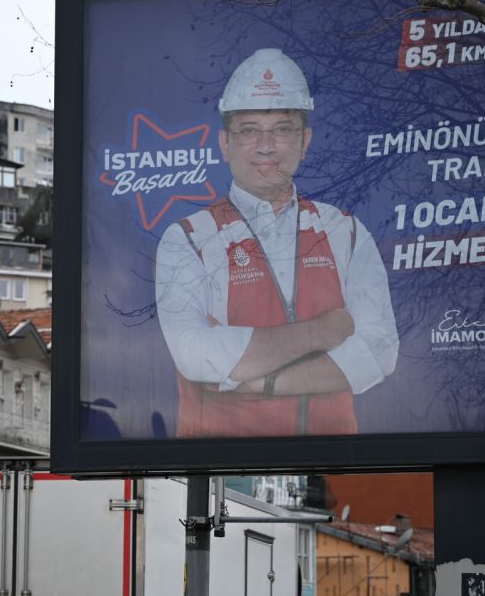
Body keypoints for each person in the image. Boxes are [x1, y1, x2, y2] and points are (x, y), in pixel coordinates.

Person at [155, 47, 399, 437]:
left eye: (283, 129)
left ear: (305, 141)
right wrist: (319, 334)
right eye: (249, 130)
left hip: (334, 476)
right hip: (224, 472)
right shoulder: (188, 239)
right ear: (225, 143)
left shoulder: (345, 232)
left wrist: (263, 381)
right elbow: (196, 356)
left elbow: (380, 351)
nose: (266, 146)